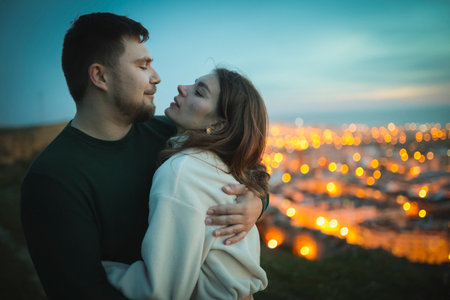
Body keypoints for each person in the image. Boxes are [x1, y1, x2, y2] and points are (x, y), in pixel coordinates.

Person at [20, 12, 268, 300]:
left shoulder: (170, 132)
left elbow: (243, 163)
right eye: (143, 65)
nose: (158, 77)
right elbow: (79, 291)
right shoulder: (53, 178)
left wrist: (255, 202)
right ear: (100, 76)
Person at [103, 68, 269, 299]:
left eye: (199, 92)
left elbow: (161, 290)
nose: (182, 87)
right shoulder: (219, 162)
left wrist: (103, 270)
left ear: (219, 125)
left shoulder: (181, 170)